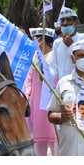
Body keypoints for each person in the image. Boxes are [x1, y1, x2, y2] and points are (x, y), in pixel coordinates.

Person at [47, 38, 84, 155]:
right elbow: (51, 115)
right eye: (81, 55)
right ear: (72, 58)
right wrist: (62, 116)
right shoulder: (63, 83)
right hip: (69, 152)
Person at [24, 27, 58, 156]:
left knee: (55, 137)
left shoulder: (55, 55)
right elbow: (29, 77)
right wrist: (27, 93)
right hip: (37, 102)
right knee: (38, 139)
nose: (35, 42)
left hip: (51, 98)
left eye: (37, 39)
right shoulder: (35, 57)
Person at [50, 4, 84, 82]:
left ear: (76, 22)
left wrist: (72, 46)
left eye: (69, 19)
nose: (65, 23)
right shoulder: (57, 43)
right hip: (63, 86)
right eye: (62, 20)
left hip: (83, 85)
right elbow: (54, 68)